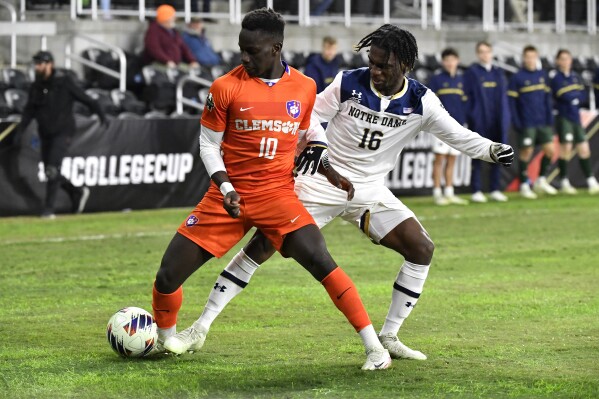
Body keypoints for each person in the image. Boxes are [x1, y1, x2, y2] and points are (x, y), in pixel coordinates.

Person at [170, 24, 514, 361]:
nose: (375, 71)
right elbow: (310, 115)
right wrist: (316, 149)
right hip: (320, 183)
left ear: (404, 65)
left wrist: (491, 150)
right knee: (261, 246)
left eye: (384, 65)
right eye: (372, 62)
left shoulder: (421, 102)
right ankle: (199, 328)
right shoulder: (348, 83)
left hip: (370, 191)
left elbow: (457, 134)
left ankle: (390, 335)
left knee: (421, 248)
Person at [151, 8, 393, 371]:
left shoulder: (305, 87)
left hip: (278, 196)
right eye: (240, 49)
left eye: (252, 50)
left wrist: (328, 167)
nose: (244, 57)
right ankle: (166, 339)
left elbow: (309, 130)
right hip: (227, 196)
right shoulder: (224, 87)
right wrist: (226, 187)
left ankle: (375, 349)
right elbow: (208, 145)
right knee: (168, 275)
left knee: (321, 261)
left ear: (276, 48)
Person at [18, 51, 107, 219]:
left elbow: (85, 98)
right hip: (45, 132)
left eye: (40, 64)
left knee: (52, 170)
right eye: (36, 64)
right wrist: (21, 129)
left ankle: (49, 209)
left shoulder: (64, 82)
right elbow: (29, 110)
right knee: (48, 171)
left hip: (63, 131)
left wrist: (100, 113)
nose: (37, 67)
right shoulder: (36, 86)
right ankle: (77, 191)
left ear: (49, 64)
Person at [507, 45, 557, 199]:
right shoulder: (517, 78)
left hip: (543, 122)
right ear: (523, 59)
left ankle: (541, 180)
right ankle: (524, 184)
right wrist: (517, 122)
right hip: (527, 122)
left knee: (550, 150)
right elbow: (512, 103)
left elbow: (548, 100)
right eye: (527, 57)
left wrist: (550, 118)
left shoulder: (543, 76)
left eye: (533, 57)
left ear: (537, 58)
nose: (530, 60)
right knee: (526, 152)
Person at [464, 41, 511, 203]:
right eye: (482, 52)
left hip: (497, 120)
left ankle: (494, 189)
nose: (485, 55)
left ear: (491, 53)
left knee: (498, 153)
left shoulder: (499, 73)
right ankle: (476, 190)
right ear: (478, 54)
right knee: (478, 154)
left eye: (487, 52)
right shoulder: (472, 72)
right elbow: (467, 97)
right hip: (480, 120)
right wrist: (473, 116)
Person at [550, 49, 599, 194]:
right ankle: (564, 181)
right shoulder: (556, 78)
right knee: (566, 149)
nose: (565, 62)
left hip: (575, 117)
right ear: (558, 61)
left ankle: (591, 180)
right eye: (562, 59)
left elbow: (583, 94)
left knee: (584, 149)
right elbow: (561, 96)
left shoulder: (576, 77)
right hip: (563, 117)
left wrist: (573, 97)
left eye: (568, 59)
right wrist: (574, 97)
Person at [427, 48, 469, 206]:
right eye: (447, 60)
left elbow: (464, 104)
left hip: (457, 127)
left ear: (457, 61)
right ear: (443, 62)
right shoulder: (436, 79)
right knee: (439, 159)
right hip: (440, 127)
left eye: (453, 60)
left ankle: (449, 192)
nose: (450, 63)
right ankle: (437, 192)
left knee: (452, 160)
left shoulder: (462, 80)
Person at [143, 4, 199, 70]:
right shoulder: (153, 31)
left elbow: (183, 47)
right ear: (165, 18)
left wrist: (192, 60)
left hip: (175, 64)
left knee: (192, 73)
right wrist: (167, 61)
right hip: (159, 64)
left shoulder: (173, 31)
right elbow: (154, 49)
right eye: (171, 17)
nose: (174, 19)